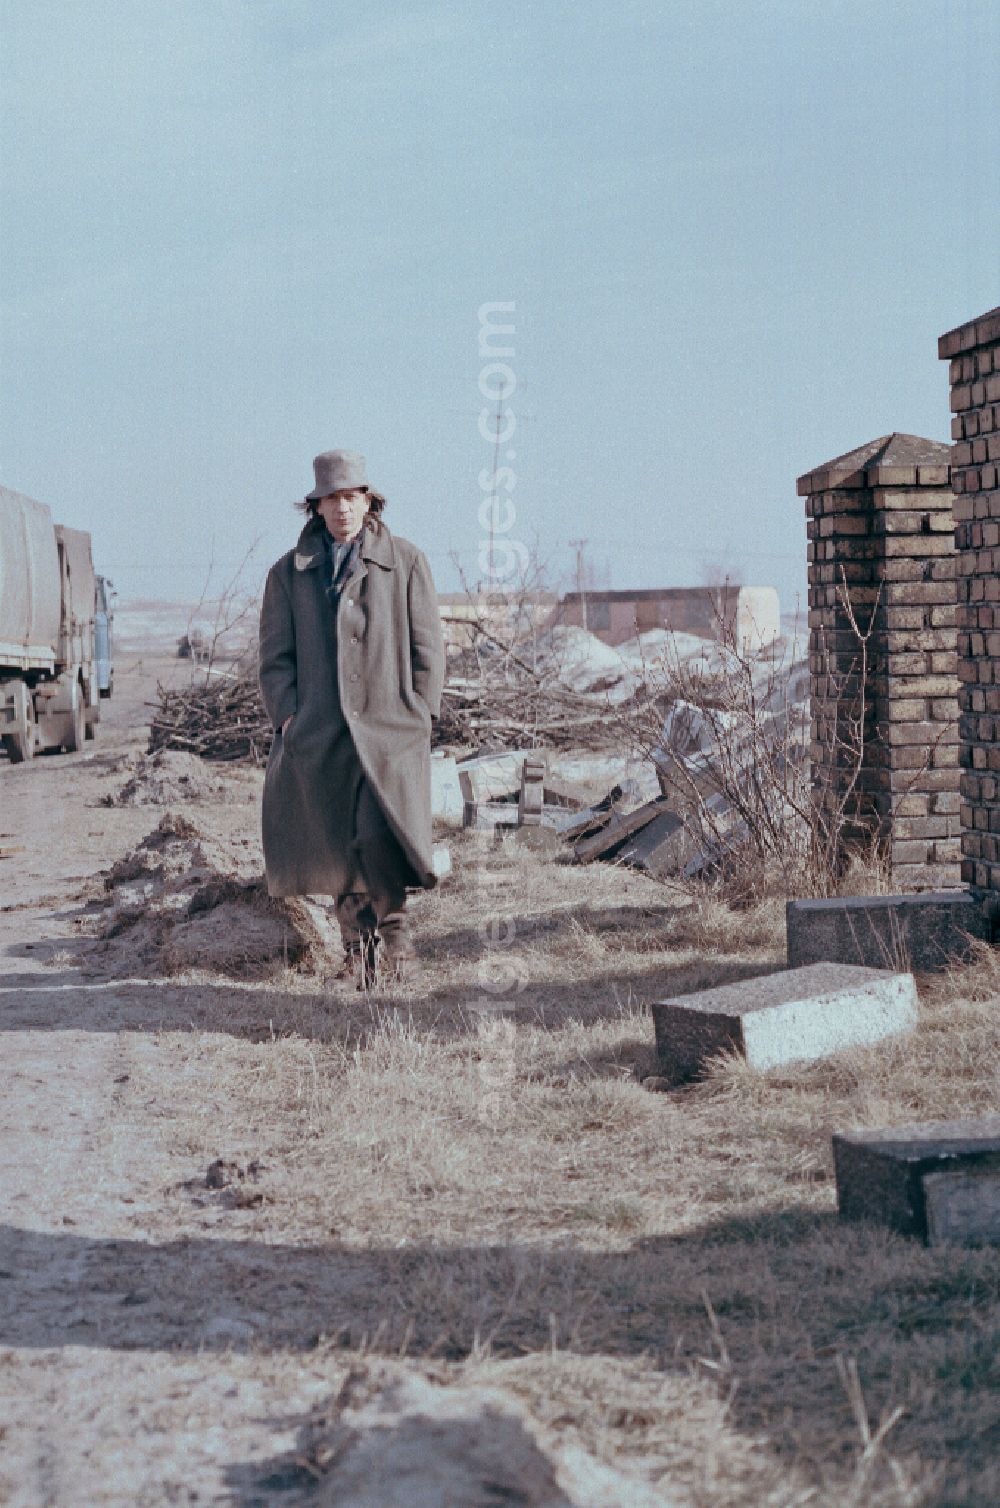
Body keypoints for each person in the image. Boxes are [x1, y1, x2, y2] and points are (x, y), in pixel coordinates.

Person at [258, 449, 445, 987]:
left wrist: (422, 714)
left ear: (369, 501)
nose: (341, 509)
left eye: (351, 496)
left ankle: (398, 938)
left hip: (391, 729)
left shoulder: (405, 561)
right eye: (330, 500)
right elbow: (274, 659)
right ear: (314, 508)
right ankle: (356, 953)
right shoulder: (288, 575)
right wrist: (289, 717)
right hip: (320, 732)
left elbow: (427, 646)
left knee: (377, 833)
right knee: (337, 841)